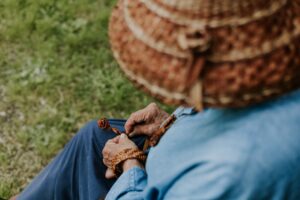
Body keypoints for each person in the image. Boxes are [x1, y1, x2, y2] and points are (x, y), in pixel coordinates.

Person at [14, 0, 300, 199]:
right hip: (166, 165)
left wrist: (129, 164)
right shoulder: (263, 80)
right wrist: (170, 122)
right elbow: (218, 114)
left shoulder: (233, 171)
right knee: (94, 136)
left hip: (152, 188)